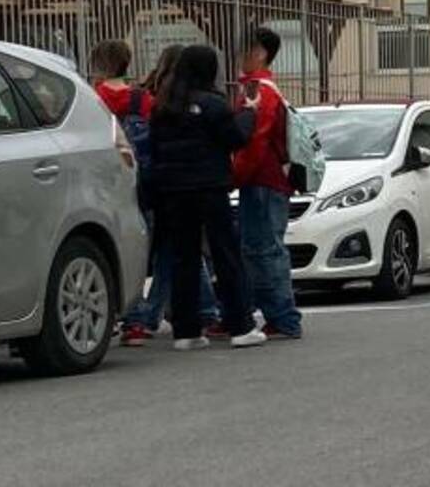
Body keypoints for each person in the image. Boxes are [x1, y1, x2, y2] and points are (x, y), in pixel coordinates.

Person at [148, 45, 264, 349]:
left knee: (183, 258)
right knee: (225, 254)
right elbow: (235, 138)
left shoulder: (163, 106)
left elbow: (155, 149)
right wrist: (250, 113)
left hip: (173, 190)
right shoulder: (213, 104)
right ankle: (241, 326)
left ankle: (186, 331)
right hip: (210, 187)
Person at [112, 44, 223, 346]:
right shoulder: (171, 101)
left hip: (138, 183)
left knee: (157, 252)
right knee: (179, 253)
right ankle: (201, 309)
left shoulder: (139, 96)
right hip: (179, 185)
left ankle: (142, 317)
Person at [232, 27, 303, 340]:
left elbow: (254, 140)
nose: (239, 55)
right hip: (269, 179)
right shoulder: (266, 87)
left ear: (259, 52)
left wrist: (234, 175)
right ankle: (279, 315)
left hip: (261, 179)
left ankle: (283, 316)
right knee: (264, 248)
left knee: (264, 249)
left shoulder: (257, 90)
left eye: (244, 49)